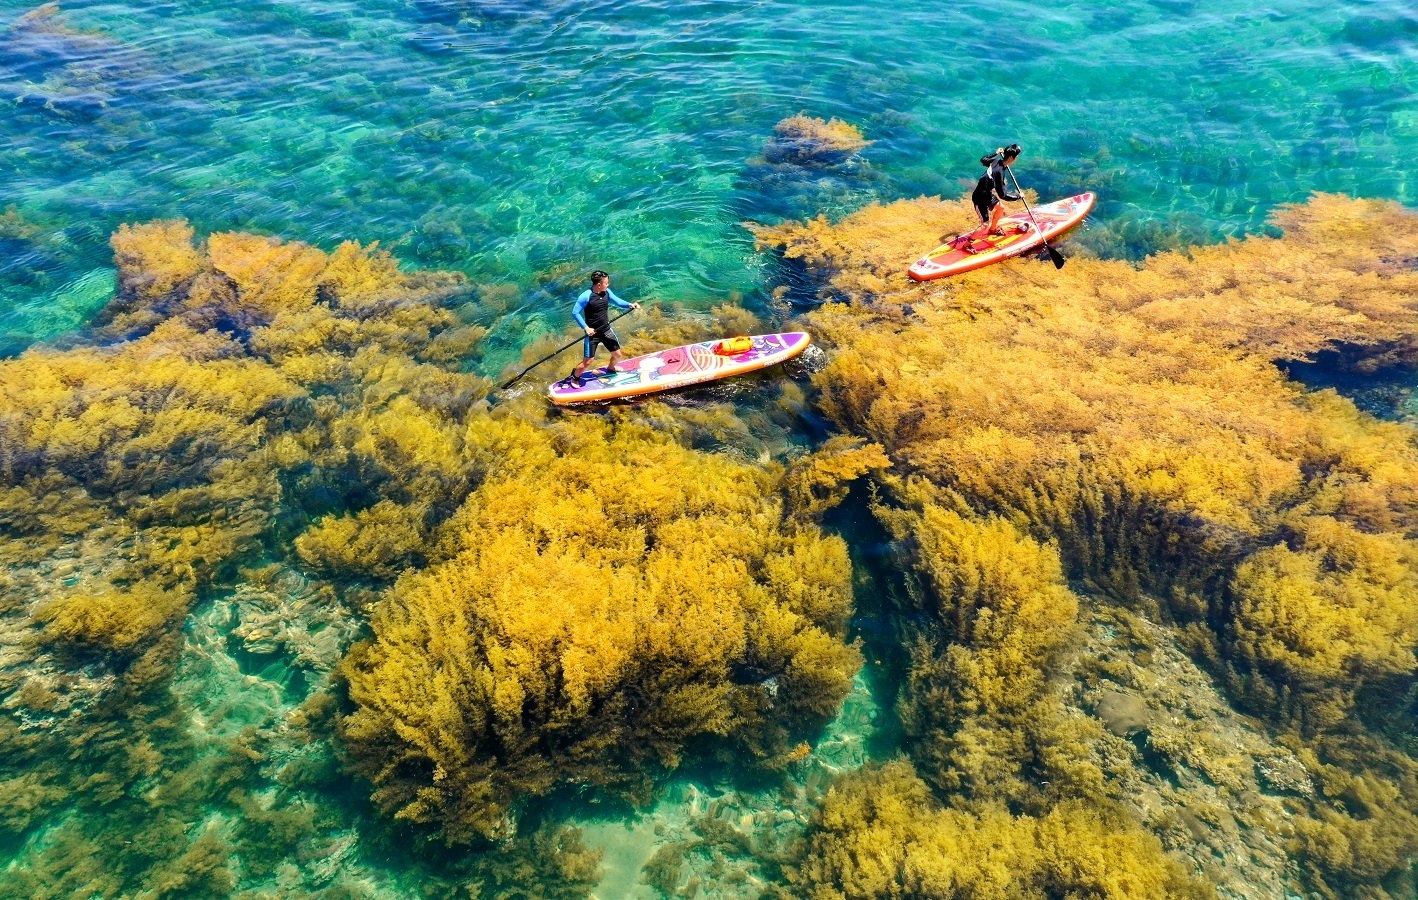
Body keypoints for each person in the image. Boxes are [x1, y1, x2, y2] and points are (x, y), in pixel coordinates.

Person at [565, 270, 639, 384]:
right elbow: (575, 313)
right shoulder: (585, 296)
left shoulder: (607, 292)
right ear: (599, 284)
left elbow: (617, 301)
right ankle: (575, 377)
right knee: (588, 361)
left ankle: (611, 368)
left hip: (606, 330)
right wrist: (586, 328)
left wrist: (629, 304)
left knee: (618, 355)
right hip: (592, 334)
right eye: (606, 283)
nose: (608, 284)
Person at [963, 143, 1028, 247]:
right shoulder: (999, 172)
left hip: (986, 194)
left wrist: (996, 153)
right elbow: (1003, 195)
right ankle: (967, 245)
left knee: (1000, 208)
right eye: (1016, 156)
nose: (1017, 158)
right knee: (985, 225)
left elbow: (983, 159)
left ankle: (993, 230)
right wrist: (1018, 196)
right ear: (1011, 157)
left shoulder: (996, 161)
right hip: (980, 198)